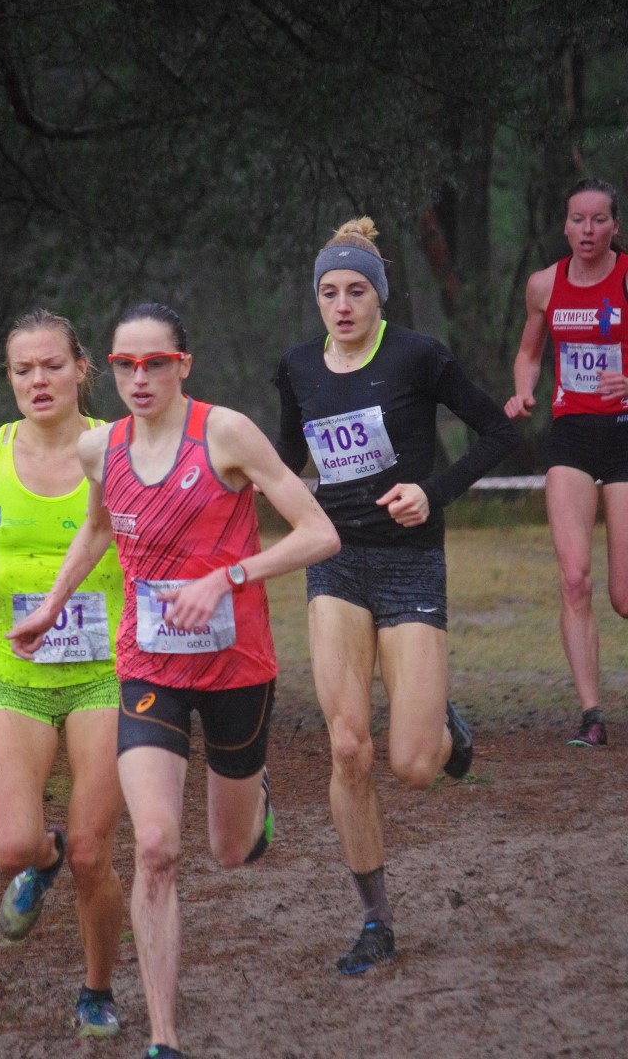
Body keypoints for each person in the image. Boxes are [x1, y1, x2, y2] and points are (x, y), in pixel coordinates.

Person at [8, 301, 340, 1059]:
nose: (140, 377)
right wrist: (52, 606)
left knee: (229, 849)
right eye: (125, 364)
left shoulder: (226, 433)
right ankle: (164, 1038)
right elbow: (98, 528)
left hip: (236, 668)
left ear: (182, 365)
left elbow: (320, 533)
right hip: (148, 667)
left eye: (155, 362)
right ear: (110, 369)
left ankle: (255, 801)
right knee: (156, 846)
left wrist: (229, 576)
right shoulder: (101, 448)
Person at [273, 216, 521, 975]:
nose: (342, 305)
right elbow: (284, 459)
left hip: (411, 563)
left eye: (356, 290)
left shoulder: (419, 356)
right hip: (337, 563)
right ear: (316, 299)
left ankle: (442, 721)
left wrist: (431, 492)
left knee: (414, 765)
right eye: (329, 292)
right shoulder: (297, 367)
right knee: (349, 745)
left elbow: (498, 433)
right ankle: (375, 920)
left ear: (379, 295)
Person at [0, 309, 126, 1038]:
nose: (38, 380)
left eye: (52, 365)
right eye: (24, 369)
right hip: (15, 672)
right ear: (10, 378)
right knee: (13, 847)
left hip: (105, 672)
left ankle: (96, 989)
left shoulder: (116, 446)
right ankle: (40, 862)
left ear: (82, 369)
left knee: (92, 852)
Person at [504, 177, 628, 748]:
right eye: (578, 219)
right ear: (565, 225)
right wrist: (522, 390)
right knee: (574, 578)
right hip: (571, 436)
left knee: (623, 597)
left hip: (624, 434)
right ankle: (591, 715)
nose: (588, 229)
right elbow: (529, 353)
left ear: (615, 226)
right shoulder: (543, 285)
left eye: (599, 220)